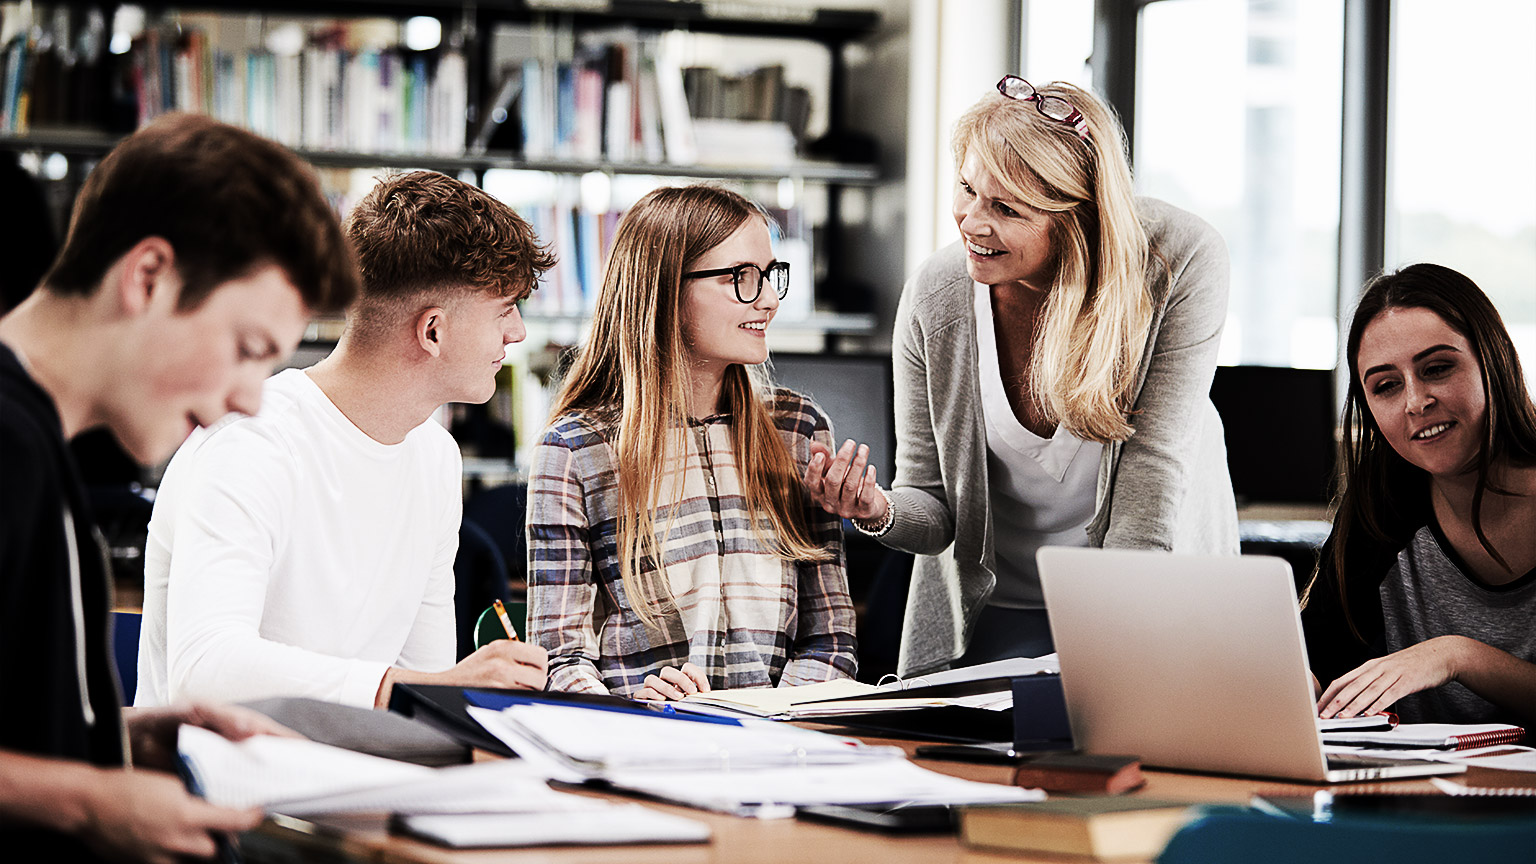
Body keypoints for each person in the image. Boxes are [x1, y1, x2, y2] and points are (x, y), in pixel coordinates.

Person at [0, 114, 355, 861]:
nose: (251, 398)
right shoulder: (9, 443)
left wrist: (115, 740)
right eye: (247, 349)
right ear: (148, 277)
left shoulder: (42, 445)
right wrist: (88, 801)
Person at [805, 76, 1238, 676]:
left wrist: (1115, 662)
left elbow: (1152, 485)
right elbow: (932, 511)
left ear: (1076, 217)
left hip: (1145, 599)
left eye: (1005, 208)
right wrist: (875, 509)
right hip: (995, 610)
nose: (971, 223)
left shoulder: (1178, 258)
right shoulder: (938, 293)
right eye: (967, 189)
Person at [136, 170, 553, 710]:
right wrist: (410, 689)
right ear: (432, 331)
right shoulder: (251, 443)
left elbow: (423, 685)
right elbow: (205, 670)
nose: (516, 333)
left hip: (351, 772)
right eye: (504, 310)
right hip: (217, 777)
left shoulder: (435, 458)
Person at [527, 185, 858, 700]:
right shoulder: (576, 450)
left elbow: (831, 640)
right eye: (742, 278)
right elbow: (560, 659)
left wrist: (774, 713)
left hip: (781, 746)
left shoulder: (798, 429)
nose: (769, 299)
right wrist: (632, 706)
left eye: (771, 275)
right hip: (649, 748)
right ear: (664, 290)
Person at [1302, 264, 1536, 726]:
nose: (1414, 402)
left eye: (1438, 368)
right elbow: (1317, 665)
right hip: (1414, 791)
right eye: (1386, 385)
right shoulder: (1382, 505)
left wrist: (1456, 656)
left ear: (1495, 360)